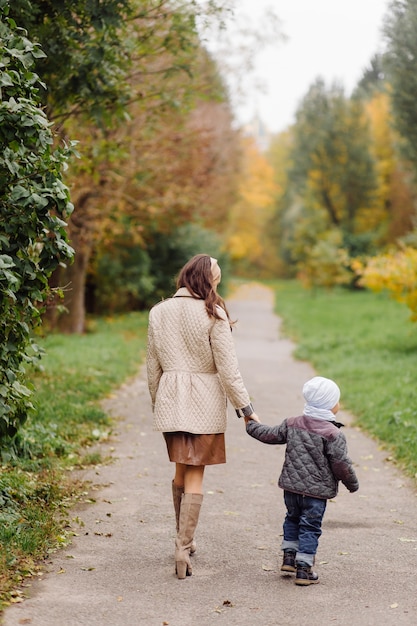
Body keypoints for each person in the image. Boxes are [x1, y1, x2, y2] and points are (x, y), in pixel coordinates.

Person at [146, 253, 259, 579]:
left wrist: (159, 403)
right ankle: (183, 548)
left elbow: (152, 368)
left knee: (181, 471)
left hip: (171, 400)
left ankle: (184, 540)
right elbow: (228, 370)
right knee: (195, 476)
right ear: (206, 280)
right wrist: (246, 410)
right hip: (203, 405)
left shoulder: (158, 311)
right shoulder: (213, 313)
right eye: (216, 279)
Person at [245, 375, 359, 586]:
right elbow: (341, 464)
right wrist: (352, 484)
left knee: (292, 518)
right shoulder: (333, 434)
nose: (339, 404)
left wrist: (250, 424)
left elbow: (269, 434)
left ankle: (289, 558)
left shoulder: (292, 423)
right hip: (316, 493)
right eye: (336, 400)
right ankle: (304, 569)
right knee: (310, 527)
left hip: (291, 489)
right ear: (329, 405)